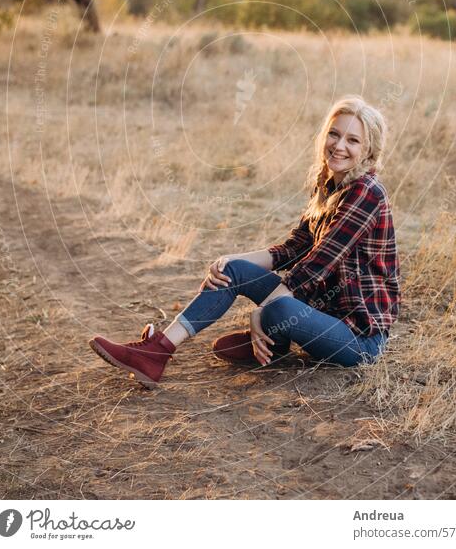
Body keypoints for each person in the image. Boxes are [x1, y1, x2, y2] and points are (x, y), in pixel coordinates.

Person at [89, 95, 401, 389]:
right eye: (334, 134)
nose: (339, 145)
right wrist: (232, 262)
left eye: (353, 140)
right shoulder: (328, 183)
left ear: (369, 151)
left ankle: (271, 340)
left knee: (278, 312)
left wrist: (260, 313)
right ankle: (158, 351)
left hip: (357, 337)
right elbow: (294, 249)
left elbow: (315, 266)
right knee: (233, 270)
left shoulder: (367, 192)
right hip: (320, 312)